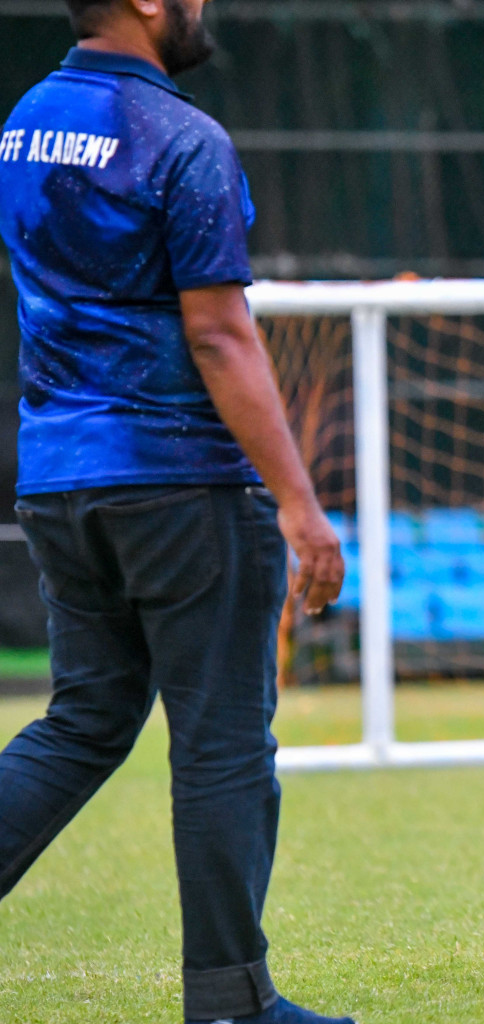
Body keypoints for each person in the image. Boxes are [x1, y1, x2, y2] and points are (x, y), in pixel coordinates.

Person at [0, 3, 350, 1024]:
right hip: (180, 480)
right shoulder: (179, 135)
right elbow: (222, 335)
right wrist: (300, 505)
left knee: (86, 717)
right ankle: (233, 1004)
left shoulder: (23, 121)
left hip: (61, 476)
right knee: (223, 742)